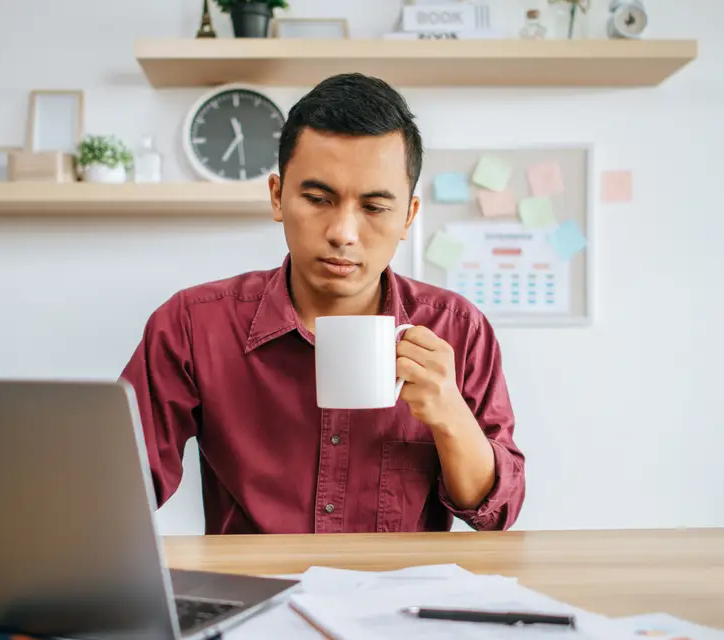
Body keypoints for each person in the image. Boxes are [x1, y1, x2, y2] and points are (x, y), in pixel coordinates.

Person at [120, 73, 525, 534]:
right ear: (277, 196)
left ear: (408, 216)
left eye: (374, 208)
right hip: (255, 595)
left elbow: (497, 516)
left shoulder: (457, 329)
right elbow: (115, 493)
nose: (343, 233)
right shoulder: (193, 326)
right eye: (317, 199)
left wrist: (449, 414)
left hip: (399, 598)